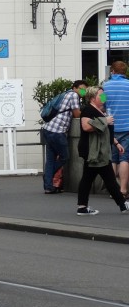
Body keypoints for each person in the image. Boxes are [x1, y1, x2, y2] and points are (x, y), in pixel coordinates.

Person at [76, 85, 128, 216]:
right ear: (93, 98)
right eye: (101, 95)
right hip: (94, 151)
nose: (104, 97)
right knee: (108, 178)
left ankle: (82, 207)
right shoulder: (88, 110)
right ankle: (122, 204)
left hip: (99, 150)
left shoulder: (100, 110)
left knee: (89, 179)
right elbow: (86, 127)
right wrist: (105, 120)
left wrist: (116, 143)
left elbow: (105, 132)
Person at [42, 80, 84, 194]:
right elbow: (76, 114)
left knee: (50, 159)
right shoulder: (74, 95)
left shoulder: (65, 93)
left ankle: (48, 187)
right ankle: (48, 176)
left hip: (48, 128)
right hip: (57, 131)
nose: (83, 91)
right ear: (74, 88)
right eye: (81, 88)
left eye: (85, 89)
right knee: (64, 157)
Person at [103, 60, 129, 198]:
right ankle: (123, 190)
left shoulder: (105, 86)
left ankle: (113, 190)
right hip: (127, 126)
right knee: (125, 158)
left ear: (112, 71)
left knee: (113, 159)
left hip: (111, 127)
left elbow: (101, 104)